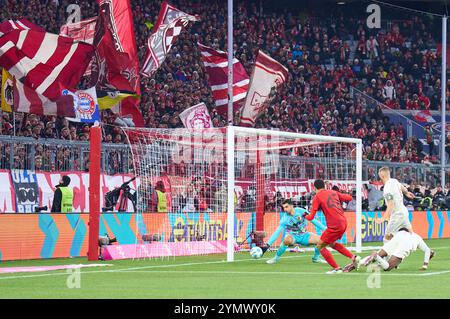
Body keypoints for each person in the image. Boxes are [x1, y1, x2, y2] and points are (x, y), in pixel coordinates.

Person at [304, 179, 361, 274]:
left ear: (315, 188)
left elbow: (311, 217)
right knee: (332, 243)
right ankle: (354, 257)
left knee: (320, 246)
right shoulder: (333, 192)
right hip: (343, 222)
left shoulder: (317, 197)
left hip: (334, 225)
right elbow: (349, 198)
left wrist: (304, 215)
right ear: (324, 186)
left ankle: (337, 268)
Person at [263, 198, 327, 264]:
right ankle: (276, 258)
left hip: (305, 235)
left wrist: (325, 229)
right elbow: (277, 232)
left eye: (286, 207)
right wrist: (268, 244)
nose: (285, 209)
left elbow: (313, 221)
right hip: (292, 236)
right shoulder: (285, 219)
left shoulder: (301, 211)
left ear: (291, 206)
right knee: (286, 239)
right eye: (284, 207)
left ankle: (316, 258)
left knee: (321, 241)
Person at [345, 228, 434, 272]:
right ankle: (376, 257)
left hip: (395, 240)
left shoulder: (399, 233)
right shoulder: (416, 237)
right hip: (406, 244)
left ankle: (357, 262)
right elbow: (427, 250)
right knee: (387, 267)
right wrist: (425, 265)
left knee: (381, 255)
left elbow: (389, 237)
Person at [377, 167, 415, 242]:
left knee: (387, 238)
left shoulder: (387, 188)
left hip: (397, 214)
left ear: (382, 176)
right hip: (404, 211)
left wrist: (384, 218)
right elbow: (402, 187)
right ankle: (427, 250)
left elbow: (391, 204)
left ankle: (389, 254)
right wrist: (407, 193)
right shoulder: (394, 181)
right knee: (411, 234)